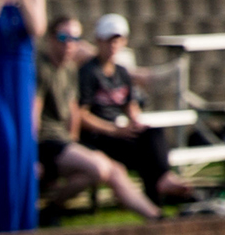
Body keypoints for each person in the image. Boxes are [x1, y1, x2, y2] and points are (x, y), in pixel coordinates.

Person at [34, 15, 163, 224]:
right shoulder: (41, 67)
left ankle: (156, 217)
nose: (69, 44)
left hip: (63, 141)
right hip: (45, 142)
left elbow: (73, 112)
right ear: (50, 38)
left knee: (115, 171)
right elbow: (34, 113)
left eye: (75, 39)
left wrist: (73, 141)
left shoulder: (69, 68)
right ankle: (50, 209)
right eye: (63, 37)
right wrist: (31, 154)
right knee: (99, 168)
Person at [78, 14, 195, 206]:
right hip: (98, 136)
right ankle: (161, 190)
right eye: (109, 41)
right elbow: (81, 115)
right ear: (98, 41)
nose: (113, 45)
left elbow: (130, 106)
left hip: (118, 132)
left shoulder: (121, 72)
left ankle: (159, 192)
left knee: (151, 135)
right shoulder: (88, 72)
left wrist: (135, 124)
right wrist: (113, 130)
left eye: (117, 40)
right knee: (146, 148)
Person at [0, 0, 46, 232]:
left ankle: (23, 222)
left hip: (21, 73)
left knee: (24, 145)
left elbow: (38, 28)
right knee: (4, 142)